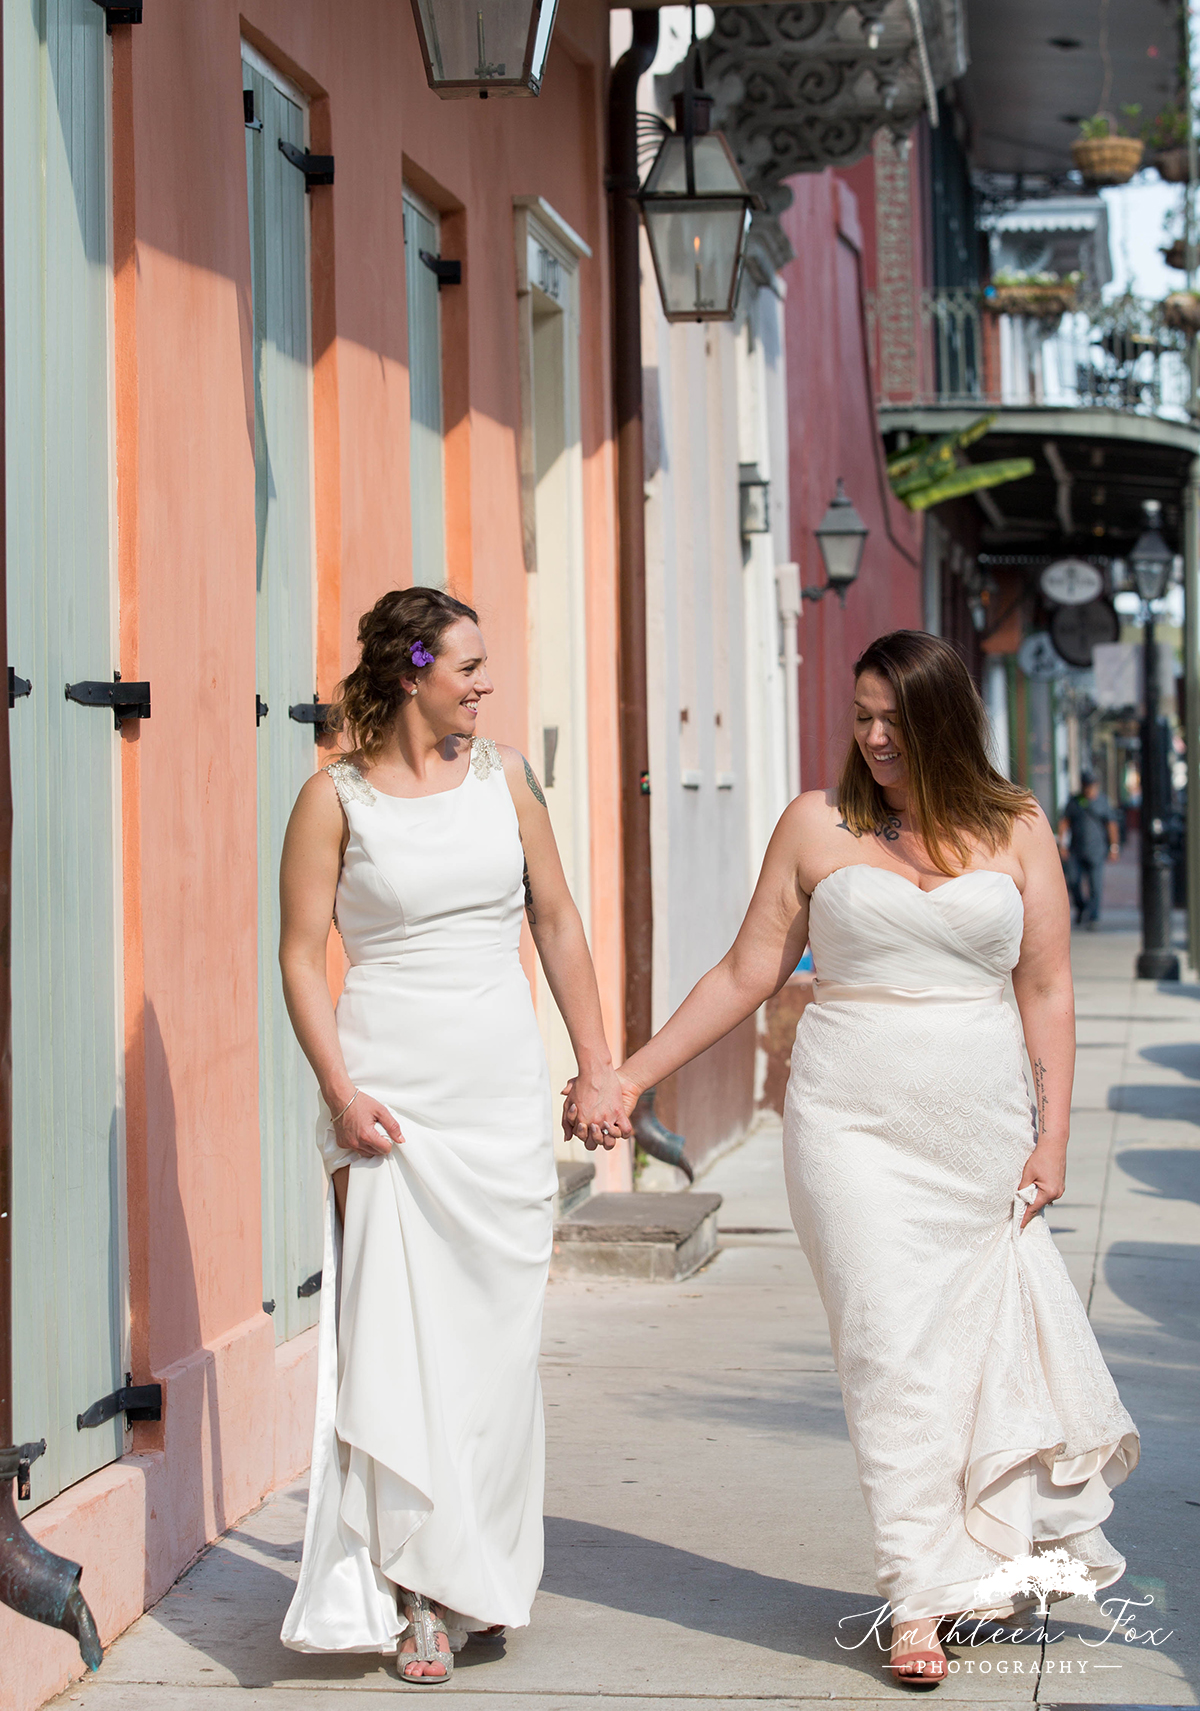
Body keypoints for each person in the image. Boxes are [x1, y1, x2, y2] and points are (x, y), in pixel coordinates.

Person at [591, 631, 1137, 1688]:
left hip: (978, 1133)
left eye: (896, 719)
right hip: (847, 1127)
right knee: (888, 1350)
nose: (876, 738)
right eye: (863, 716)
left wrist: (1054, 1133)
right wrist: (630, 1075)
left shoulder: (1018, 829)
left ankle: (967, 1563)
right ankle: (916, 1596)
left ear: (946, 722)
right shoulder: (817, 823)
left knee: (969, 1357)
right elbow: (748, 969)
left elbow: (1048, 990)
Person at [277, 587, 629, 1684]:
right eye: (467, 666)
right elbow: (298, 956)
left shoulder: (507, 778)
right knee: (399, 1343)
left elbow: (558, 919)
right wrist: (339, 1094)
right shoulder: (330, 798)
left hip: (496, 1093)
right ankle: (415, 1590)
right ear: (410, 668)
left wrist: (598, 1063)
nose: (484, 685)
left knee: (494, 1350)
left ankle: (481, 1573)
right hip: (389, 1101)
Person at [1058, 773, 1120, 927]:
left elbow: (1111, 825)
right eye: (1086, 785)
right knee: (1073, 881)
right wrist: (1062, 845)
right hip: (1076, 850)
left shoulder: (1103, 802)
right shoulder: (1075, 801)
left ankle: (1093, 916)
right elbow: (1064, 822)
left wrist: (1114, 847)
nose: (1089, 789)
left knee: (1095, 885)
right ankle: (1081, 908)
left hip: (1097, 851)